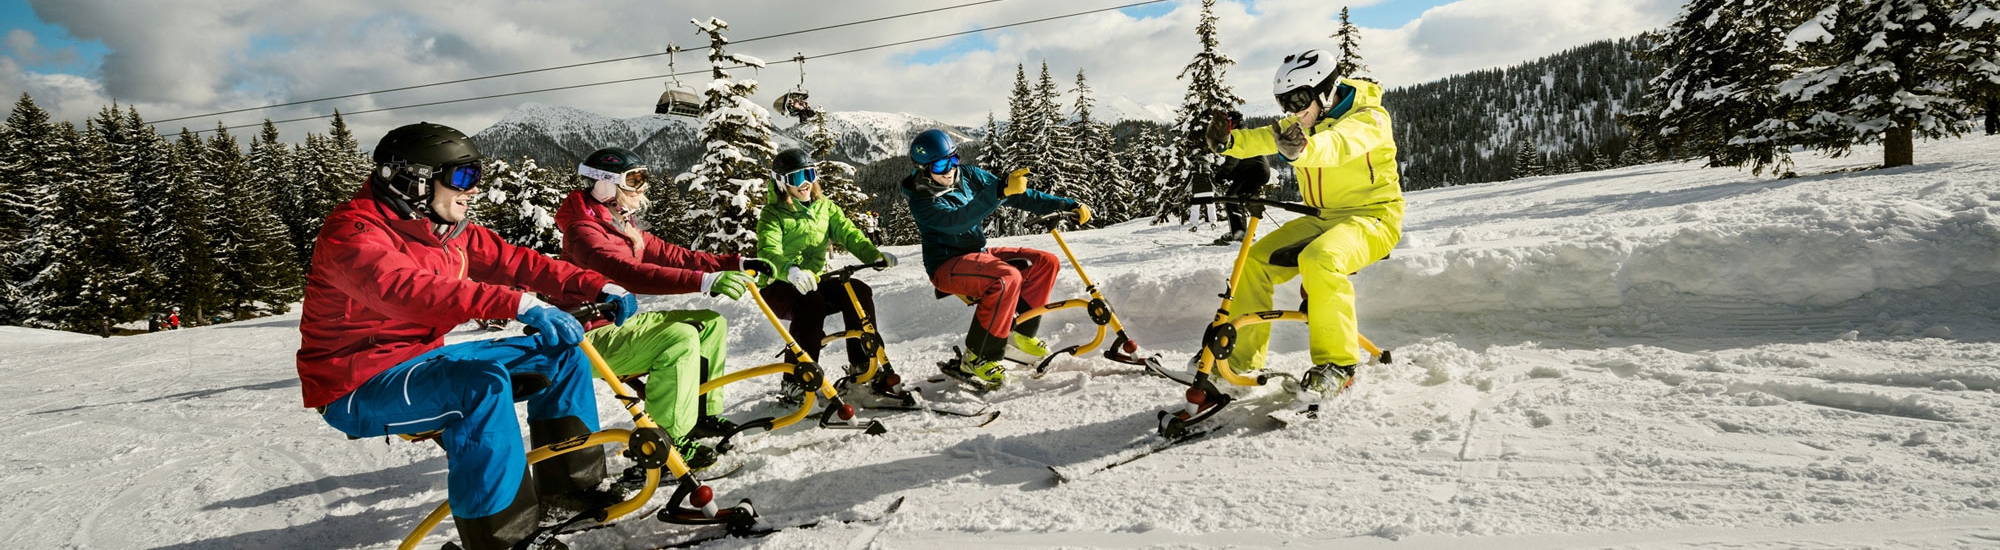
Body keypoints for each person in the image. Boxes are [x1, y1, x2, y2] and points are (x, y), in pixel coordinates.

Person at [296, 122, 638, 550]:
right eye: (462, 177)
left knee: (562, 350)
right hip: (357, 384)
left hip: (422, 361)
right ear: (415, 180)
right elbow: (405, 291)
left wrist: (594, 285)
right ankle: (502, 539)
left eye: (475, 178)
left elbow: (520, 263)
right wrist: (517, 304)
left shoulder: (444, 230)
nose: (473, 190)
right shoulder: (352, 233)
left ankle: (570, 491)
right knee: (480, 388)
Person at [1203, 49, 1403, 398]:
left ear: (1325, 89)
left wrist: (1300, 151)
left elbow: (1338, 145)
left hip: (1374, 218)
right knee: (1254, 260)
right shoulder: (1304, 121)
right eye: (1285, 103)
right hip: (1320, 217)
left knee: (1321, 259)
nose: (1293, 110)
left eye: (1299, 99)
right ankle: (1241, 360)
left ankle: (1338, 365)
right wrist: (1228, 142)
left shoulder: (1370, 118)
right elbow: (1267, 137)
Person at [553, 146, 761, 470]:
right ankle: (666, 444)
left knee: (709, 324)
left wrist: (735, 262)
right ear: (605, 185)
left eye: (643, 177)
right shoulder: (583, 232)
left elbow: (673, 255)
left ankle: (699, 416)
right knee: (678, 340)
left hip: (617, 324)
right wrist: (703, 282)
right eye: (634, 179)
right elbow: (628, 273)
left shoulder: (619, 223)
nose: (643, 187)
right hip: (587, 337)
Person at [899, 129, 1091, 390]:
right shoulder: (921, 200)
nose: (949, 170)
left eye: (953, 160)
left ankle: (1020, 336)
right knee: (1005, 278)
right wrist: (998, 192)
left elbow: (1017, 194)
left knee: (1045, 262)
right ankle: (978, 357)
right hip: (946, 266)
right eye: (940, 165)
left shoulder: (967, 175)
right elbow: (958, 221)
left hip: (977, 254)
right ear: (923, 169)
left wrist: (1063, 205)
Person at [754, 148, 903, 406]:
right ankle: (796, 382)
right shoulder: (772, 214)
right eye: (795, 178)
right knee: (811, 304)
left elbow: (850, 234)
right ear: (780, 182)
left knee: (857, 289)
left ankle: (862, 366)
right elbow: (768, 251)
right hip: (777, 284)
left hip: (812, 280)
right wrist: (789, 270)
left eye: (809, 174)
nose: (804, 184)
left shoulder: (825, 208)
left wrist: (873, 255)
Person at [1208, 113, 1274, 245]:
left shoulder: (1239, 133)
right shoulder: (1240, 132)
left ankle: (1240, 234)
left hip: (1253, 172)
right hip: (1253, 171)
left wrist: (1225, 172)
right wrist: (1228, 174)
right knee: (1236, 198)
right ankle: (1240, 232)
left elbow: (1235, 157)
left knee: (1231, 199)